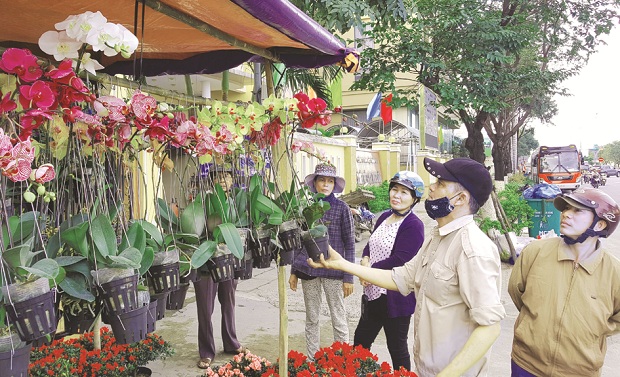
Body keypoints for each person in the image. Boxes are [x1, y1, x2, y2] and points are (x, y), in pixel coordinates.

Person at [308, 157, 506, 377]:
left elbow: (490, 327)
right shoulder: (437, 238)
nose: (431, 187)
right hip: (427, 369)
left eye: (440, 184)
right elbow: (401, 277)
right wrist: (344, 265)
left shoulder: (473, 250)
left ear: (460, 198)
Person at [508, 188, 620, 377]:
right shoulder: (535, 253)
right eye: (566, 208)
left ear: (600, 225)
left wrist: (592, 329)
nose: (566, 214)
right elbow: (517, 292)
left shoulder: (614, 272)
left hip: (579, 371)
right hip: (526, 364)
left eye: (578, 210)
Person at [354, 171, 425, 371]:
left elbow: (401, 259)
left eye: (404, 192)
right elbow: (371, 243)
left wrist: (369, 272)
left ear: (414, 198)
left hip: (395, 297)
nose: (397, 195)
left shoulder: (414, 225)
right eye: (394, 189)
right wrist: (365, 260)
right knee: (360, 341)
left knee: (396, 347)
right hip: (373, 293)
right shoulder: (385, 216)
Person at [289, 162, 355, 360]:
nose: (326, 184)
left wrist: (349, 276)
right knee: (312, 318)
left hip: (334, 271)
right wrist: (294, 271)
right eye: (322, 180)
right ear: (315, 183)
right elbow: (298, 242)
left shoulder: (342, 208)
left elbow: (349, 243)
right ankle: (311, 361)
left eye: (330, 181)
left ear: (334, 184)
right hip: (308, 270)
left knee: (338, 317)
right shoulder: (306, 208)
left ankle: (342, 361)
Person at [194, 168, 247, 369]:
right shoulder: (203, 199)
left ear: (233, 179)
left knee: (228, 302)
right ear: (211, 180)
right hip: (207, 258)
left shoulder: (236, 201)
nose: (222, 180)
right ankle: (206, 352)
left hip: (227, 258)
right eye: (218, 176)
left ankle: (231, 343)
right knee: (205, 308)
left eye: (226, 176)